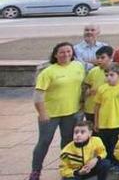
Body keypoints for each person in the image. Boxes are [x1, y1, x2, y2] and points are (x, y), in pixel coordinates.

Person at [31, 42, 86, 180]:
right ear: (55, 54)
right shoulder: (48, 71)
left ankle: (65, 169)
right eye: (62, 52)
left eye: (69, 51)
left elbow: (82, 86)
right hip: (51, 114)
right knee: (44, 141)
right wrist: (42, 113)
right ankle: (36, 170)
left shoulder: (78, 66)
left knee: (67, 142)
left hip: (71, 112)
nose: (66, 54)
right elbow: (38, 94)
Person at [93, 63, 119, 164]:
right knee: (105, 146)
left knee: (116, 147)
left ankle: (116, 165)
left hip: (118, 123)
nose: (108, 78)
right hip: (104, 124)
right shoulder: (102, 89)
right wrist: (96, 122)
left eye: (112, 75)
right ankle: (107, 165)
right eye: (106, 75)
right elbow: (97, 107)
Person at [83, 46, 113, 124]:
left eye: (102, 58)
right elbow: (85, 88)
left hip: (107, 108)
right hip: (91, 108)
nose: (99, 60)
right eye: (98, 58)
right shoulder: (93, 71)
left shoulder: (115, 71)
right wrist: (88, 92)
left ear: (110, 58)